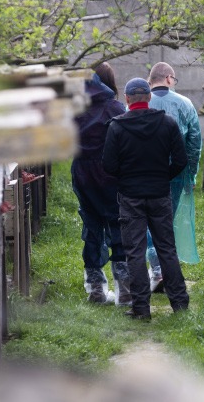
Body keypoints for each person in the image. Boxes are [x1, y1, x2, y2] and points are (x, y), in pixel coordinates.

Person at [102, 77, 190, 320]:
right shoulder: (168, 123)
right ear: (149, 97)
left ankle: (141, 308)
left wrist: (127, 178)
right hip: (160, 195)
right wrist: (163, 176)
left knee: (135, 252)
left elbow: (108, 165)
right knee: (167, 249)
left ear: (127, 99)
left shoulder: (117, 127)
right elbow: (181, 160)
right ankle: (180, 304)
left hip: (131, 197)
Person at [71, 62, 131, 305]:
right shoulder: (115, 108)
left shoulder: (75, 108)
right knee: (119, 225)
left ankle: (96, 289)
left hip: (82, 174)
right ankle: (125, 290)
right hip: (110, 174)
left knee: (91, 226)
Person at [146, 62, 202, 290]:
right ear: (169, 78)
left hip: (143, 174)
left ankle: (156, 270)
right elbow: (194, 143)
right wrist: (191, 174)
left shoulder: (139, 102)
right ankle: (166, 269)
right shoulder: (185, 104)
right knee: (166, 219)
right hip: (175, 174)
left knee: (146, 220)